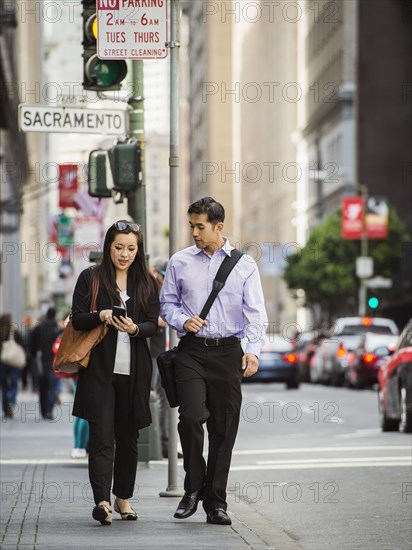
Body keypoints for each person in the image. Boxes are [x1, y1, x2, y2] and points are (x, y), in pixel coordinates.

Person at [160, 197, 268, 526]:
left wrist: (253, 351)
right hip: (191, 350)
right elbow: (167, 304)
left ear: (218, 227)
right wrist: (182, 320)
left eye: (200, 226)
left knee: (223, 430)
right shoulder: (179, 261)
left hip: (228, 353)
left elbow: (256, 314)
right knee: (190, 418)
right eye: (191, 225)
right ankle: (192, 488)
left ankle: (216, 501)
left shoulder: (245, 265)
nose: (193, 231)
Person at [71, 220, 159, 526]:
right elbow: (78, 319)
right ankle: (103, 501)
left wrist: (134, 328)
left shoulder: (146, 283)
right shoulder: (91, 278)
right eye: (118, 247)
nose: (124, 254)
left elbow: (152, 322)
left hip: (134, 373)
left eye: (131, 248)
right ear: (109, 246)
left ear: (139, 250)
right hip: (99, 371)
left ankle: (123, 497)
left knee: (129, 436)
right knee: (101, 436)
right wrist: (102, 315)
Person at [29, 307, 60, 420]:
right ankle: (49, 411)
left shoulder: (39, 327)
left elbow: (31, 342)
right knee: (52, 388)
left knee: (42, 388)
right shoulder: (56, 328)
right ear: (54, 315)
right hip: (54, 362)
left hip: (41, 362)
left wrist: (32, 356)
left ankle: (43, 411)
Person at [0, 313, 26, 419]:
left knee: (4, 387)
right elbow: (22, 344)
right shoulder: (14, 332)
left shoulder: (1, 332)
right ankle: (12, 402)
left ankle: (6, 410)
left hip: (2, 363)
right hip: (14, 362)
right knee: (14, 384)